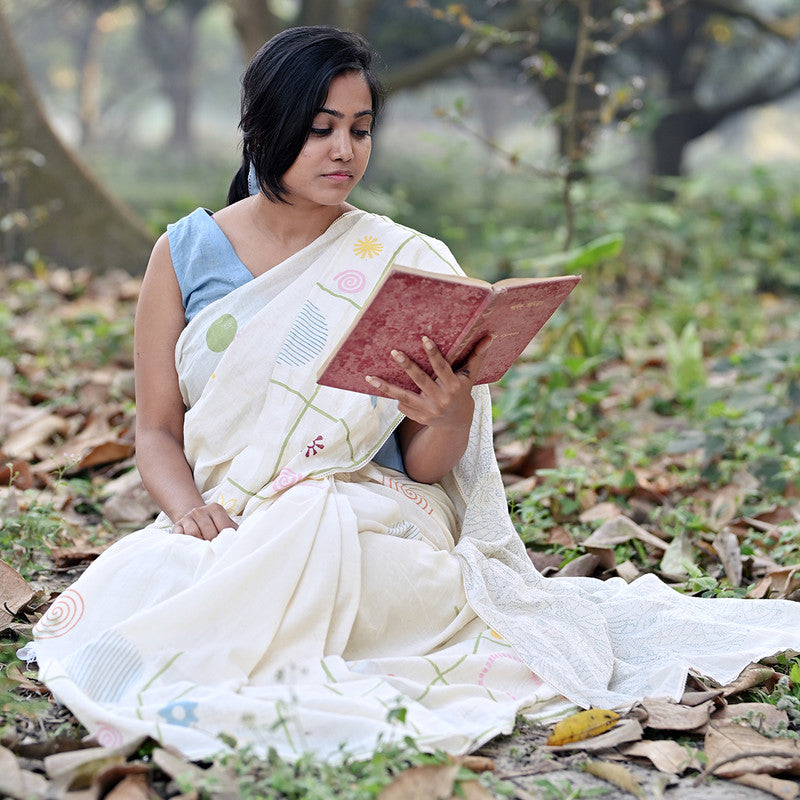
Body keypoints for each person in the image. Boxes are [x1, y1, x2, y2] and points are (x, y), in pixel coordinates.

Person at [31, 26, 800, 762]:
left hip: (376, 522)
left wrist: (450, 408)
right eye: (321, 127)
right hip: (231, 519)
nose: (344, 150)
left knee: (398, 584)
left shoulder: (403, 261)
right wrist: (188, 511)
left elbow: (425, 468)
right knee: (151, 592)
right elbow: (158, 431)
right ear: (266, 124)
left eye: (360, 129)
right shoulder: (186, 252)